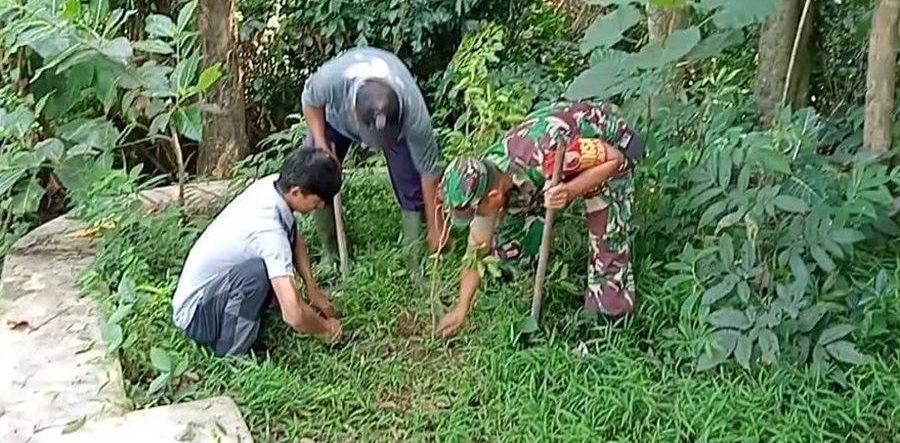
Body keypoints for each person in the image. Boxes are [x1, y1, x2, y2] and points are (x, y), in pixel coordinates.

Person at [435, 100, 645, 338]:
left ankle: (610, 326)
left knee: (606, 242)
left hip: (610, 148)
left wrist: (569, 191)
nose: (478, 218)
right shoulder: (487, 175)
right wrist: (462, 308)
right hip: (555, 167)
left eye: (477, 212)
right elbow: (477, 248)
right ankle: (534, 265)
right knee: (506, 250)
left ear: (493, 196)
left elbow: (614, 159)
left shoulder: (546, 153)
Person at [171, 147, 343, 356]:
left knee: (263, 271)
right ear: (297, 191)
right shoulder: (268, 228)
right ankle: (232, 354)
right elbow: (294, 316)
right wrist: (327, 329)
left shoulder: (276, 186)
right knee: (257, 274)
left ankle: (256, 309)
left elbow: (294, 235)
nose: (320, 207)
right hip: (196, 315)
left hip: (218, 289)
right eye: (317, 202)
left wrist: (312, 289)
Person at [300, 46, 447, 268]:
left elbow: (429, 172)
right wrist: (321, 143)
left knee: (412, 186)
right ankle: (329, 254)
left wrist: (436, 226)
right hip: (334, 122)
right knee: (317, 174)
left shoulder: (413, 113)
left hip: (398, 133)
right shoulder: (332, 80)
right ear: (352, 109)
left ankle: (413, 262)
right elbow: (310, 101)